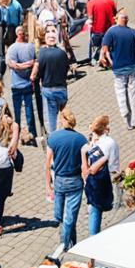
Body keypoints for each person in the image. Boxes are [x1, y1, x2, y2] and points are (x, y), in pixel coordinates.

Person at [46, 109, 86, 252]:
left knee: (61, 216)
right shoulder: (82, 139)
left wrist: (48, 185)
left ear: (63, 120)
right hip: (75, 181)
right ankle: (69, 243)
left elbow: (48, 163)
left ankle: (65, 244)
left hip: (59, 181)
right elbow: (84, 165)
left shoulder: (53, 138)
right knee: (70, 217)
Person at [100, 10, 135, 129]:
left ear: (117, 19)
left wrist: (108, 60)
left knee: (121, 93)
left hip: (118, 68)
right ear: (127, 20)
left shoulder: (111, 31)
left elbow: (104, 49)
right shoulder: (132, 32)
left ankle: (127, 120)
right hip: (132, 67)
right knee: (133, 93)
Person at [0, 108, 21, 236]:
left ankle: (7, 190)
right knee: (0, 193)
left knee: (2, 185)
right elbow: (13, 148)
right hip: (3, 161)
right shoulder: (15, 125)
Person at [34, 27, 71, 134]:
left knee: (51, 118)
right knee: (63, 113)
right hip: (62, 89)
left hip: (49, 89)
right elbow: (66, 69)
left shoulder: (42, 53)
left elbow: (37, 72)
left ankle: (53, 139)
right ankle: (66, 132)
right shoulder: (62, 53)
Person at [84, 116, 117, 237]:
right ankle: (94, 240)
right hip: (102, 181)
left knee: (94, 209)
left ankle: (94, 237)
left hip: (90, 182)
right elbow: (113, 167)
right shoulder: (110, 143)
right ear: (105, 129)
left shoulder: (91, 142)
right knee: (97, 210)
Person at [6, 26, 39, 143]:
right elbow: (34, 62)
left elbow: (13, 65)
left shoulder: (12, 49)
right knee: (29, 110)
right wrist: (28, 64)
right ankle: (32, 133)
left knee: (17, 112)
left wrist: (20, 65)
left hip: (16, 85)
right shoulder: (31, 47)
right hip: (28, 84)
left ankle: (17, 133)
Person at [85, 0, 117, 66]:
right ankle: (106, 60)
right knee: (107, 47)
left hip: (96, 31)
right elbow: (114, 17)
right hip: (109, 31)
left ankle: (95, 60)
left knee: (95, 47)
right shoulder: (111, 2)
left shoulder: (91, 3)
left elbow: (90, 18)